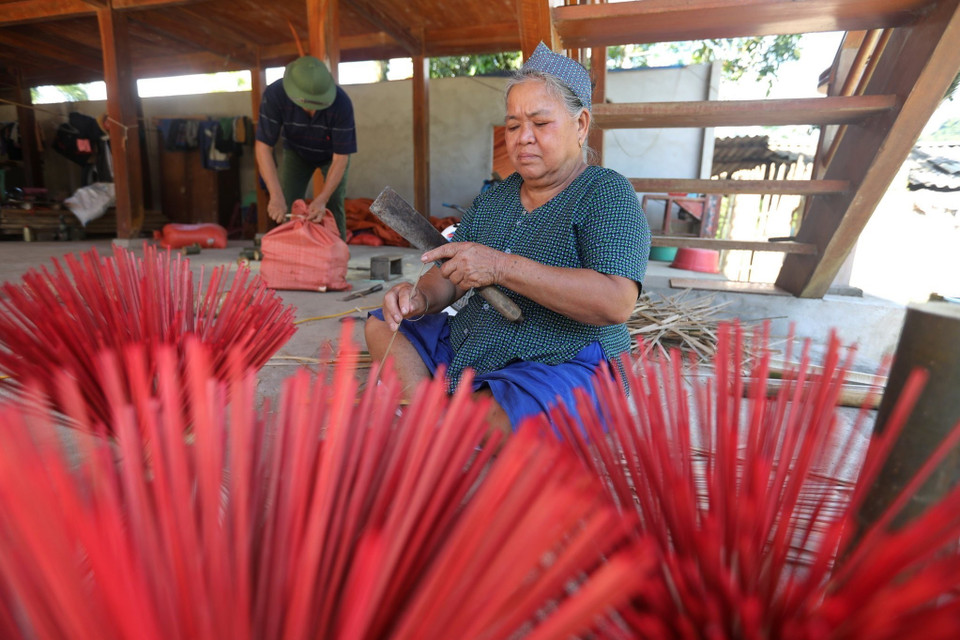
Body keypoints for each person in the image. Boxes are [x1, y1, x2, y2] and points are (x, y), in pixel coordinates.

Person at [365, 43, 651, 435]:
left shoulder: (606, 193)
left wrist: (499, 267)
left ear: (581, 125)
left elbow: (617, 302)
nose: (522, 138)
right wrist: (420, 299)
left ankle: (440, 415)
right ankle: (433, 413)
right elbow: (450, 267)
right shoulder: (497, 195)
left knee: (520, 412)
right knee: (382, 325)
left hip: (560, 357)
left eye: (540, 123)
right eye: (513, 125)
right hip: (478, 338)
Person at [255, 55, 356, 240]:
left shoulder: (342, 104)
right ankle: (293, 254)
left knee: (333, 204)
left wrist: (322, 199)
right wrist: (275, 195)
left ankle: (338, 256)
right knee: (288, 200)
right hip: (296, 151)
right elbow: (263, 147)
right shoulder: (274, 95)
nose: (312, 109)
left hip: (331, 156)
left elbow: (341, 158)